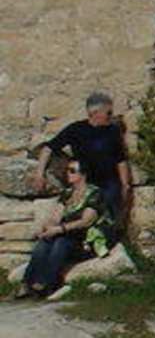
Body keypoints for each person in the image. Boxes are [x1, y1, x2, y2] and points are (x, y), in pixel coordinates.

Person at [34, 90, 133, 239]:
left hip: (109, 184)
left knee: (108, 219)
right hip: (86, 183)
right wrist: (39, 175)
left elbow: (120, 159)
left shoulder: (112, 131)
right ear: (95, 113)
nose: (110, 116)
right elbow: (48, 148)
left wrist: (125, 184)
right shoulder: (76, 129)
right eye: (108, 113)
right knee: (80, 218)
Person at [15, 157, 112, 299]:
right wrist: (48, 226)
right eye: (67, 170)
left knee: (61, 243)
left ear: (83, 174)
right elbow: (55, 216)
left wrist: (60, 229)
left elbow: (86, 221)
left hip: (85, 240)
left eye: (72, 170)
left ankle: (46, 284)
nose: (68, 173)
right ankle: (27, 283)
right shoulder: (67, 194)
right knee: (44, 243)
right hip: (66, 235)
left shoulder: (95, 194)